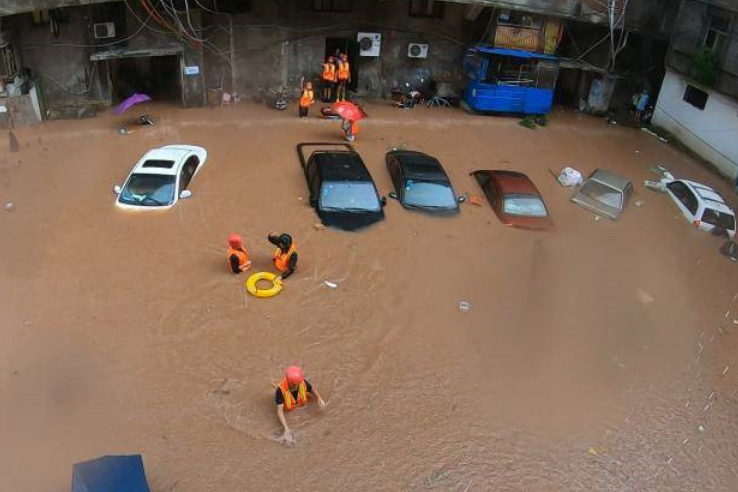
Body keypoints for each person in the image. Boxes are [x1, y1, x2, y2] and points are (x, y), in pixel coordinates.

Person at [275, 365, 326, 443]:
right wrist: (286, 428)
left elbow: (312, 389)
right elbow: (279, 411)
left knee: (310, 397)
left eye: (297, 384)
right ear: (289, 382)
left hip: (300, 402)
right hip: (289, 407)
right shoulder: (280, 391)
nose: (296, 386)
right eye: (294, 385)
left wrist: (319, 398)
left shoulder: (303, 382)